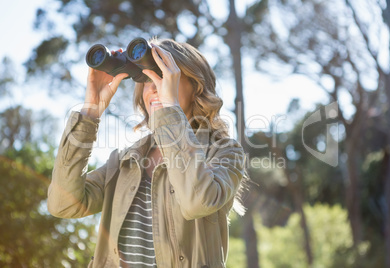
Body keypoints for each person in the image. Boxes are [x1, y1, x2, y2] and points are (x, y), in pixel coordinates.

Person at [47, 37, 246, 268]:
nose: (153, 87)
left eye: (162, 75)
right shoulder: (125, 161)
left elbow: (196, 202)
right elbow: (63, 204)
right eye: (144, 77)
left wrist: (170, 108)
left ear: (196, 87)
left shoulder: (225, 152)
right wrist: (90, 112)